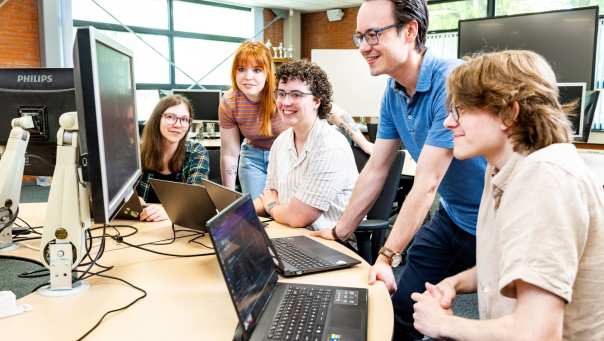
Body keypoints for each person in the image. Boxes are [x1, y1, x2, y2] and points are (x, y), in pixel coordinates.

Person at [310, 1, 486, 339]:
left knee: (500, 319)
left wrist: (388, 256)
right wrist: (338, 232)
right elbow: (376, 168)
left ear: (410, 31)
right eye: (359, 37)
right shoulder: (392, 93)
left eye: (373, 35)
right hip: (454, 218)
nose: (363, 47)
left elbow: (427, 183)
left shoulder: (451, 80)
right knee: (405, 307)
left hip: (496, 223)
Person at [411, 50, 604, 341]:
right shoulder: (501, 168)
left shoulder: (544, 177)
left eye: (460, 110)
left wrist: (442, 324)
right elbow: (516, 261)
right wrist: (456, 282)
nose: (449, 123)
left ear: (509, 113)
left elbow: (538, 333)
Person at [254, 60, 358, 230]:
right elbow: (269, 196)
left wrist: (272, 207)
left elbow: (298, 217)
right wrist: (230, 215)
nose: (285, 102)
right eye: (281, 93)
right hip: (287, 230)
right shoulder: (281, 142)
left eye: (296, 95)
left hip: (328, 242)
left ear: (317, 101)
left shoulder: (329, 146)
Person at [219, 41, 286, 199]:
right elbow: (229, 153)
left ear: (268, 73)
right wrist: (227, 198)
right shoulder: (229, 101)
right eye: (241, 69)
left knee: (284, 211)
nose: (248, 77)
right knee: (256, 212)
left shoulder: (282, 93)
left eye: (257, 70)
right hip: (252, 157)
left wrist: (357, 137)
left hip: (284, 156)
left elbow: (328, 109)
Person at [137, 95, 209, 222]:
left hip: (178, 226)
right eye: (170, 117)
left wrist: (167, 211)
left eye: (184, 119)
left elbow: (197, 197)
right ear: (157, 119)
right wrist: (135, 201)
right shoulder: (137, 152)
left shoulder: (196, 152)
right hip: (142, 225)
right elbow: (121, 195)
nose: (178, 124)